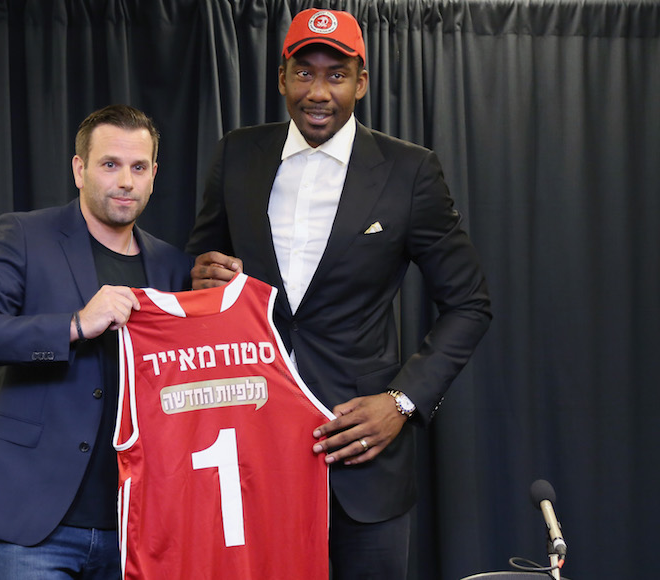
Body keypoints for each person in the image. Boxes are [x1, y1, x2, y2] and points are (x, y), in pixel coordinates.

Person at [186, 8, 492, 580]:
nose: (318, 92)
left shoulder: (410, 171)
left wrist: (401, 402)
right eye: (304, 73)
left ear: (362, 82)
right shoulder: (237, 156)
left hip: (360, 454)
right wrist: (201, 280)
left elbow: (470, 302)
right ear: (281, 78)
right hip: (247, 448)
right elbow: (200, 274)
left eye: (336, 75)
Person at [0, 104, 192, 579]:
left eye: (139, 168)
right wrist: (73, 325)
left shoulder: (175, 268)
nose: (125, 181)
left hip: (139, 529)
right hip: (36, 525)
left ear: (154, 174)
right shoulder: (24, 235)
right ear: (79, 169)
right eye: (110, 164)